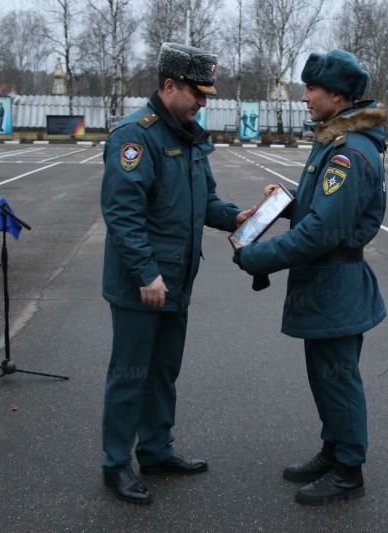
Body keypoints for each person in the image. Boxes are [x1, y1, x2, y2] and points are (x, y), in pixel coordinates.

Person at [99, 42, 256, 504]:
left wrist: (236, 217)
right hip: (142, 285)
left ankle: (155, 450)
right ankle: (114, 464)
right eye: (197, 93)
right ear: (169, 86)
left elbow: (204, 200)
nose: (204, 102)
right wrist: (147, 274)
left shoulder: (188, 134)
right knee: (129, 373)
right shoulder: (136, 136)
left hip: (178, 281)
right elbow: (122, 215)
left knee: (163, 372)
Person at [233, 49, 387, 506]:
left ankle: (348, 470)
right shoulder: (334, 142)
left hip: (335, 282)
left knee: (339, 378)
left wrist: (259, 257)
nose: (304, 97)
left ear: (338, 97)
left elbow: (324, 231)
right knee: (324, 376)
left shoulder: (349, 153)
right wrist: (290, 199)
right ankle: (332, 450)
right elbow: (320, 208)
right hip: (324, 283)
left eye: (311, 90)